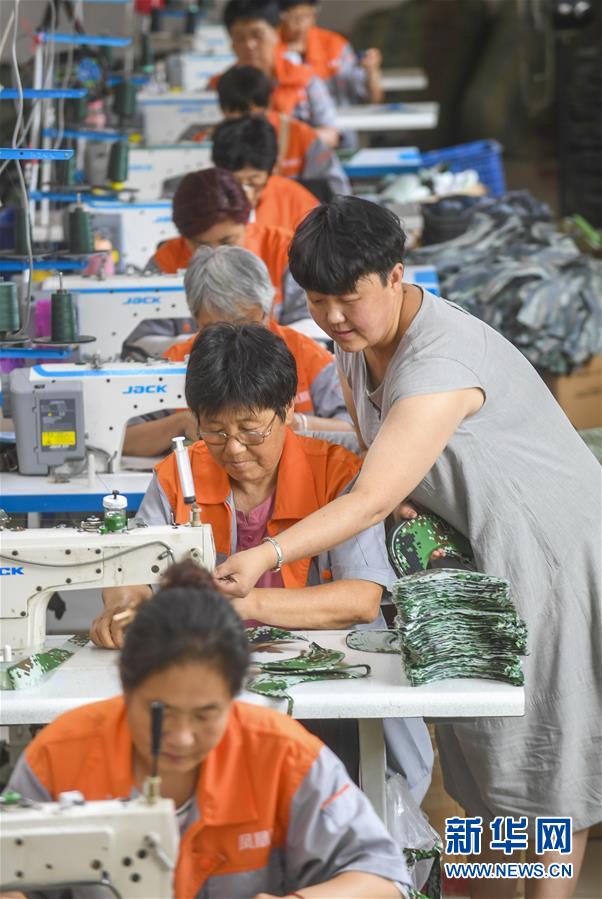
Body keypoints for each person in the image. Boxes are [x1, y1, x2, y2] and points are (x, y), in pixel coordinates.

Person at [215, 197, 602, 899]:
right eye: (319, 300)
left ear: (396, 275)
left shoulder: (439, 362)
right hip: (472, 558)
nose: (334, 317)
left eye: (349, 298)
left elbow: (368, 497)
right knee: (481, 760)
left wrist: (265, 557)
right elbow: (380, 454)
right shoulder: (357, 343)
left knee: (543, 769)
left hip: (546, 553)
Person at [95, 322, 433, 803]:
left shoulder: (336, 475)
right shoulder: (179, 475)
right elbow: (130, 566)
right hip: (216, 687)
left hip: (332, 690)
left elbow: (360, 600)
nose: (234, 449)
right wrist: (124, 608)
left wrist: (243, 606)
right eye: (215, 431)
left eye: (251, 430)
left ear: (287, 410)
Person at [9, 560, 413, 898]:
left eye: (205, 715)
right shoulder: (62, 753)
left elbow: (385, 879)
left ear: (234, 697)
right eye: (160, 712)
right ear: (126, 689)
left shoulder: (283, 755)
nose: (182, 736)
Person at [123, 246, 354, 457]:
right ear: (195, 319)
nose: (233, 341)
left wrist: (299, 424)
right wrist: (180, 424)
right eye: (215, 330)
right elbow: (121, 438)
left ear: (269, 309)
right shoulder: (176, 361)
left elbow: (356, 428)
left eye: (245, 325)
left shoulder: (306, 354)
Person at [148, 167, 308, 325]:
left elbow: (308, 322)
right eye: (202, 245)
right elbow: (147, 335)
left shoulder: (284, 250)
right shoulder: (164, 262)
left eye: (227, 242)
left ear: (247, 223)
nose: (216, 254)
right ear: (184, 237)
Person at [214, 64, 350, 194]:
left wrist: (284, 191)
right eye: (238, 120)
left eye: (254, 117)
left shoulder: (302, 136)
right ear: (223, 110)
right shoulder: (211, 142)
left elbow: (337, 189)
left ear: (269, 105)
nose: (246, 127)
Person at [219, 0, 339, 147]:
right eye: (240, 38)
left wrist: (287, 139)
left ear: (276, 34)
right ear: (231, 43)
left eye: (257, 35)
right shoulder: (219, 86)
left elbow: (330, 134)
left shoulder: (305, 80)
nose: (249, 45)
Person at [211, 115, 318, 231]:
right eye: (234, 182)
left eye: (252, 181)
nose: (244, 192)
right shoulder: (205, 201)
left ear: (272, 170)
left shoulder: (298, 202)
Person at [278, 0, 383, 105]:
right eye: (294, 17)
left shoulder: (334, 44)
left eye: (305, 16)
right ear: (281, 17)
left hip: (341, 113)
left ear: (314, 16)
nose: (300, 23)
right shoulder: (273, 45)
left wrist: (372, 71)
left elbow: (373, 98)